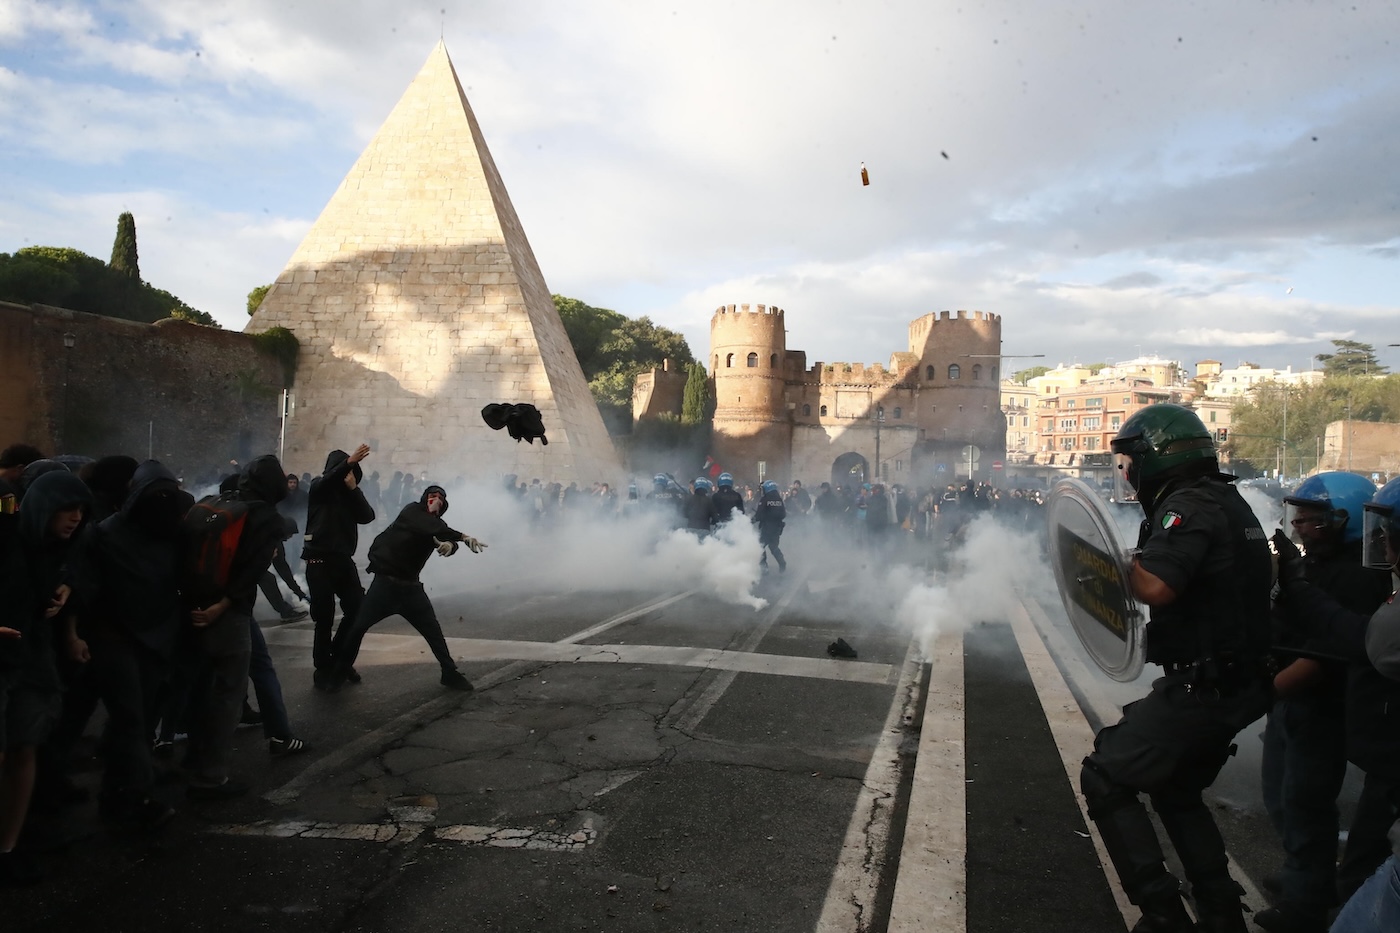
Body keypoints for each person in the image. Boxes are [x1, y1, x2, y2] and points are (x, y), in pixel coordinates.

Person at [1080, 403, 1273, 933]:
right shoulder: (1226, 500)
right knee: (1176, 790)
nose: (1128, 471)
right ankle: (1220, 912)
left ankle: (1163, 913)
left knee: (1106, 774)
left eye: (1131, 459)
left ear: (1155, 456)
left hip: (1206, 686)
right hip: (1234, 681)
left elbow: (1158, 586)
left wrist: (1110, 561)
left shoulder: (1187, 506)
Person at [1258, 473, 1392, 933]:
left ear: (1343, 521)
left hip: (1320, 707)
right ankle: (1305, 874)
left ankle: (1306, 902)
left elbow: (1327, 653)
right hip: (1292, 698)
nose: (1299, 527)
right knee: (1280, 797)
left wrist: (1266, 691)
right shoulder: (1312, 561)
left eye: (1312, 520)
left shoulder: (1355, 575)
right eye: (1299, 517)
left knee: (1304, 803)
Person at [179, 455, 292, 800]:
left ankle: (192, 761)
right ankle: (210, 777)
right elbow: (250, 571)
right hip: (227, 615)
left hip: (191, 608)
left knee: (198, 690)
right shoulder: (265, 518)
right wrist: (221, 607)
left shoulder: (221, 504)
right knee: (228, 695)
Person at [326, 484, 486, 691]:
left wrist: (451, 546)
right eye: (432, 496)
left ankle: (449, 672)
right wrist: (462, 537)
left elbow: (440, 535)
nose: (435, 500)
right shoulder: (412, 512)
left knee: (433, 632)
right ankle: (339, 673)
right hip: (384, 585)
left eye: (440, 498)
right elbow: (432, 528)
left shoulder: (436, 524)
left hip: (410, 589)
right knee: (357, 628)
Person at [303, 445, 375, 690]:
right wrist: (348, 462)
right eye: (346, 469)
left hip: (343, 559)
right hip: (319, 559)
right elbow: (326, 481)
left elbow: (367, 516)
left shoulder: (349, 494)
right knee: (323, 617)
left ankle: (339, 657)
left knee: (357, 609)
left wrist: (354, 489)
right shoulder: (318, 488)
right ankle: (323, 666)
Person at [752, 480, 787, 573]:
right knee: (774, 547)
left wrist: (754, 519)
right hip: (777, 528)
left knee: (760, 547)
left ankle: (764, 567)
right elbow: (783, 514)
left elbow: (759, 515)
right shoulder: (779, 500)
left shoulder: (765, 499)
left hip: (766, 528)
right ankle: (782, 563)